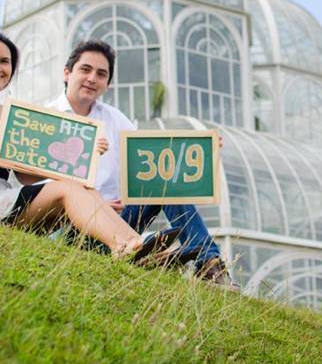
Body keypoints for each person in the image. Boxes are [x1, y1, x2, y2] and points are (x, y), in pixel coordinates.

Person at [0, 31, 177, 263]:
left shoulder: (11, 113)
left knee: (80, 187)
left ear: (12, 68)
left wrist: (85, 153)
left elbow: (27, 175)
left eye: (4, 61)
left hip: (3, 199)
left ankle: (134, 245)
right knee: (69, 188)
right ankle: (125, 246)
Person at [46, 39, 238, 288]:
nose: (92, 78)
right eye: (85, 69)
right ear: (67, 72)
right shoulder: (46, 116)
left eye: (101, 74)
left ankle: (208, 264)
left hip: (120, 220)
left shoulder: (114, 119)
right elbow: (38, 188)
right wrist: (93, 206)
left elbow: (152, 157)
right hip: (70, 227)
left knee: (164, 179)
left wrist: (200, 149)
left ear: (108, 83)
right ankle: (146, 253)